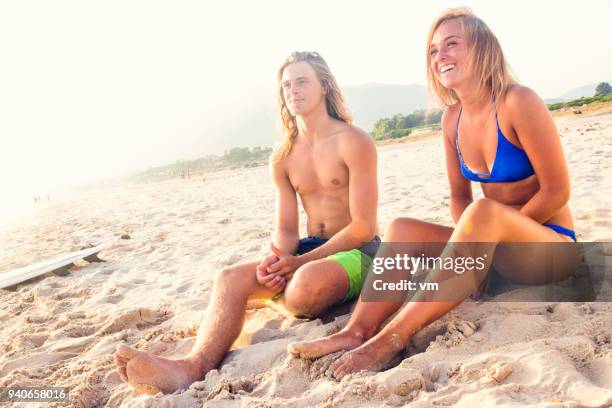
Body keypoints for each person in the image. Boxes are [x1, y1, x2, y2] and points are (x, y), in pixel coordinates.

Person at [288, 8, 580, 379]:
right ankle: (355, 331)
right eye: (433, 50)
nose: (440, 55)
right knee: (403, 228)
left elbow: (557, 191)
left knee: (483, 213)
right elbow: (459, 198)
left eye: (452, 44)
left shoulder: (517, 101)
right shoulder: (451, 120)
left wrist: (490, 240)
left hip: (550, 249)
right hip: (499, 252)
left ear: (482, 48)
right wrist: (477, 245)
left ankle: (391, 338)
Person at [113, 51, 380, 394]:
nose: (292, 90)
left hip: (358, 251)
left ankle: (278, 297)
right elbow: (286, 230)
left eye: (302, 82)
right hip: (308, 250)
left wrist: (298, 263)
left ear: (324, 87)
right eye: (286, 85)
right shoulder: (284, 155)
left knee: (302, 288)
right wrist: (277, 259)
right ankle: (192, 367)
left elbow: (362, 226)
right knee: (229, 279)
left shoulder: (353, 140)